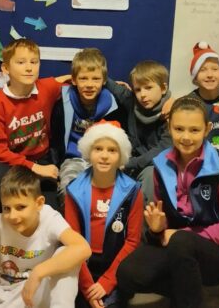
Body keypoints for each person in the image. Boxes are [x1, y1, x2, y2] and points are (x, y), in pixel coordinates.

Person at [116, 96, 219, 308]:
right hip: (177, 248)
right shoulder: (161, 166)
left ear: (207, 129)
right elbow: (165, 227)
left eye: (194, 130)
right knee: (127, 273)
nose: (186, 137)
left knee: (182, 241)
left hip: (218, 255)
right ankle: (188, 292)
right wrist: (158, 228)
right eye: (179, 129)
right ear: (169, 127)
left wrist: (183, 235)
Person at [0, 39, 69, 213]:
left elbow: (79, 81)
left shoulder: (46, 88)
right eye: (21, 62)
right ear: (6, 68)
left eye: (34, 62)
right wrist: (34, 168)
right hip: (12, 163)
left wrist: (112, 85)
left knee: (51, 211)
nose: (29, 68)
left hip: (42, 159)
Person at [0, 166, 92, 307]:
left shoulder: (49, 217)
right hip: (10, 293)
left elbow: (83, 248)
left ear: (39, 203)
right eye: (6, 208)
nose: (13, 216)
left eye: (21, 207)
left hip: (41, 286)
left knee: (66, 252)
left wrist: (38, 272)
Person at [64, 121, 143, 308]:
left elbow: (132, 242)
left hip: (117, 265)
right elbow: (71, 242)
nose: (104, 156)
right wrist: (88, 287)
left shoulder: (132, 191)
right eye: (98, 148)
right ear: (88, 152)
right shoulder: (74, 190)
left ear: (121, 155)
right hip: (83, 265)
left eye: (112, 150)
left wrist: (107, 282)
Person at [51, 48, 125, 192]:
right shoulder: (63, 103)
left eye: (96, 79)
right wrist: (56, 166)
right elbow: (55, 139)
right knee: (69, 191)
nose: (89, 84)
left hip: (103, 160)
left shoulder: (114, 106)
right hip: (72, 160)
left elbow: (119, 140)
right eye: (83, 78)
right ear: (74, 80)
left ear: (104, 80)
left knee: (109, 194)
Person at [106, 60, 172, 203]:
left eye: (148, 88)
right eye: (138, 89)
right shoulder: (132, 102)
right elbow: (107, 81)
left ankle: (146, 217)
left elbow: (162, 151)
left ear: (163, 88)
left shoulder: (171, 113)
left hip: (155, 167)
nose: (142, 94)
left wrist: (130, 164)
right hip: (133, 164)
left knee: (150, 174)